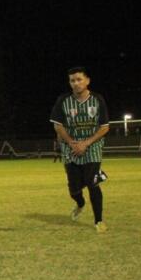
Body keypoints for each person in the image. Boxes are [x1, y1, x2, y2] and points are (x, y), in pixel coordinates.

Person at [50, 67, 110, 233]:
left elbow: (104, 127)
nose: (76, 83)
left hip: (93, 147)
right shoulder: (63, 100)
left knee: (92, 183)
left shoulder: (98, 100)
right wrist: (71, 142)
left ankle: (99, 220)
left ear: (87, 80)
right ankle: (80, 203)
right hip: (70, 147)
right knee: (74, 189)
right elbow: (58, 125)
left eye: (79, 79)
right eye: (72, 80)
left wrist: (86, 143)